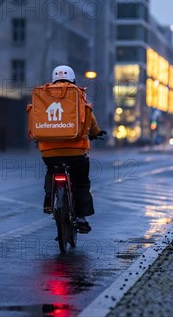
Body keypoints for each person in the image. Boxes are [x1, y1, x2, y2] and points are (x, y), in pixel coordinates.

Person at [37, 65, 106, 234]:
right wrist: (96, 132)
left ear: (54, 79)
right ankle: (82, 219)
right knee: (81, 183)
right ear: (73, 79)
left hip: (49, 152)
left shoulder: (43, 93)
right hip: (76, 151)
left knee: (51, 170)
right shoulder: (77, 94)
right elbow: (89, 116)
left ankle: (48, 195)